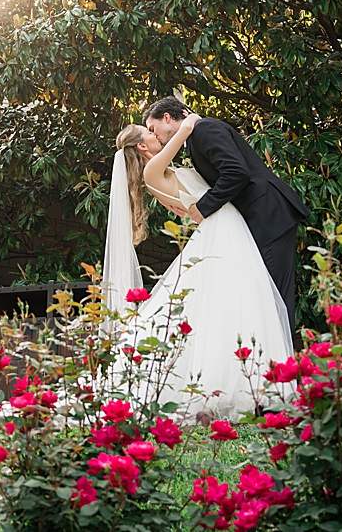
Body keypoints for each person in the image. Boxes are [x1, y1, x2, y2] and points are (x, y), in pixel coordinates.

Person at [106, 117, 292, 419]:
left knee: (231, 304)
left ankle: (251, 377)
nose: (155, 136)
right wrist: (188, 121)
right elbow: (184, 133)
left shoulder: (160, 171)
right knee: (237, 300)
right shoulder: (153, 170)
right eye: (149, 133)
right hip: (222, 228)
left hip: (224, 225)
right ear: (142, 146)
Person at [144, 97, 308, 329]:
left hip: (267, 215)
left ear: (168, 118)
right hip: (256, 217)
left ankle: (282, 362)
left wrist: (202, 207)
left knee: (274, 297)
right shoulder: (193, 138)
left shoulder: (204, 129)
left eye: (153, 128)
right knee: (264, 295)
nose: (155, 135)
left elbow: (236, 172)